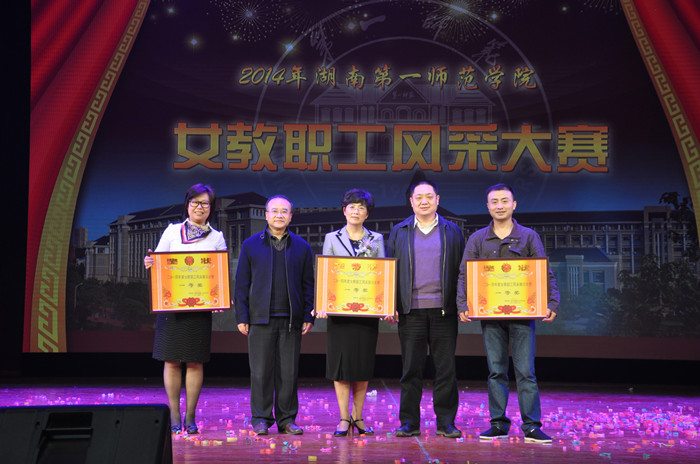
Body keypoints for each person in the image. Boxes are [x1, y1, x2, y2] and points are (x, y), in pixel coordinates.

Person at [457, 183, 560, 444]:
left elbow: (543, 271)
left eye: (505, 201)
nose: (500, 206)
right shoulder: (478, 239)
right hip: (491, 316)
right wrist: (462, 304)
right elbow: (465, 274)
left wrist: (552, 301)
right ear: (488, 206)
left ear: (514, 205)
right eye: (494, 201)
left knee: (526, 372)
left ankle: (532, 426)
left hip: (523, 315)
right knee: (496, 371)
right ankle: (498, 425)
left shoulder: (528, 236)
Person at [144, 183, 227, 434]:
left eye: (205, 203)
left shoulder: (216, 237)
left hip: (199, 309)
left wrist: (219, 296)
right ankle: (173, 413)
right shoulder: (172, 231)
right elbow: (158, 263)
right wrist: (150, 262)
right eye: (195, 202)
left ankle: (190, 415)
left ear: (211, 208)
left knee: (195, 362)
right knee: (171, 361)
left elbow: (219, 273)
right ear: (187, 205)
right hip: (171, 307)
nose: (200, 207)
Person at [387, 180, 465, 439]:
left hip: (444, 311)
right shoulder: (399, 231)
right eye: (418, 197)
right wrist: (391, 304)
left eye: (429, 196)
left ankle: (446, 422)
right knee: (411, 370)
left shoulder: (452, 230)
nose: (424, 201)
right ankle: (409, 422)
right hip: (411, 311)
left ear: (437, 200)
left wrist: (461, 303)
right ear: (411, 202)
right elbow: (390, 271)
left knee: (446, 370)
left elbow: (462, 270)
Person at [234, 195, 315, 436]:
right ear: (266, 215)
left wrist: (308, 316)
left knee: (288, 373)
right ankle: (260, 418)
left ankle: (287, 419)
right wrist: (242, 316)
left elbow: (308, 285)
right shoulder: (250, 245)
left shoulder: (302, 246)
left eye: (284, 211)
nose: (279, 215)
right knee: (260, 372)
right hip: (260, 319)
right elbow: (241, 284)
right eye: (275, 211)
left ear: (291, 216)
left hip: (291, 320)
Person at [316, 189, 386, 437]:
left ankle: (358, 416)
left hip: (366, 313)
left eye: (361, 208)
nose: (356, 211)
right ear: (344, 210)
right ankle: (344, 417)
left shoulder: (376, 239)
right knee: (341, 366)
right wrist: (322, 302)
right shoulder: (331, 238)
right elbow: (326, 273)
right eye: (352, 207)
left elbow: (382, 274)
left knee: (362, 365)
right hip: (340, 312)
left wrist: (385, 305)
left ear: (367, 214)